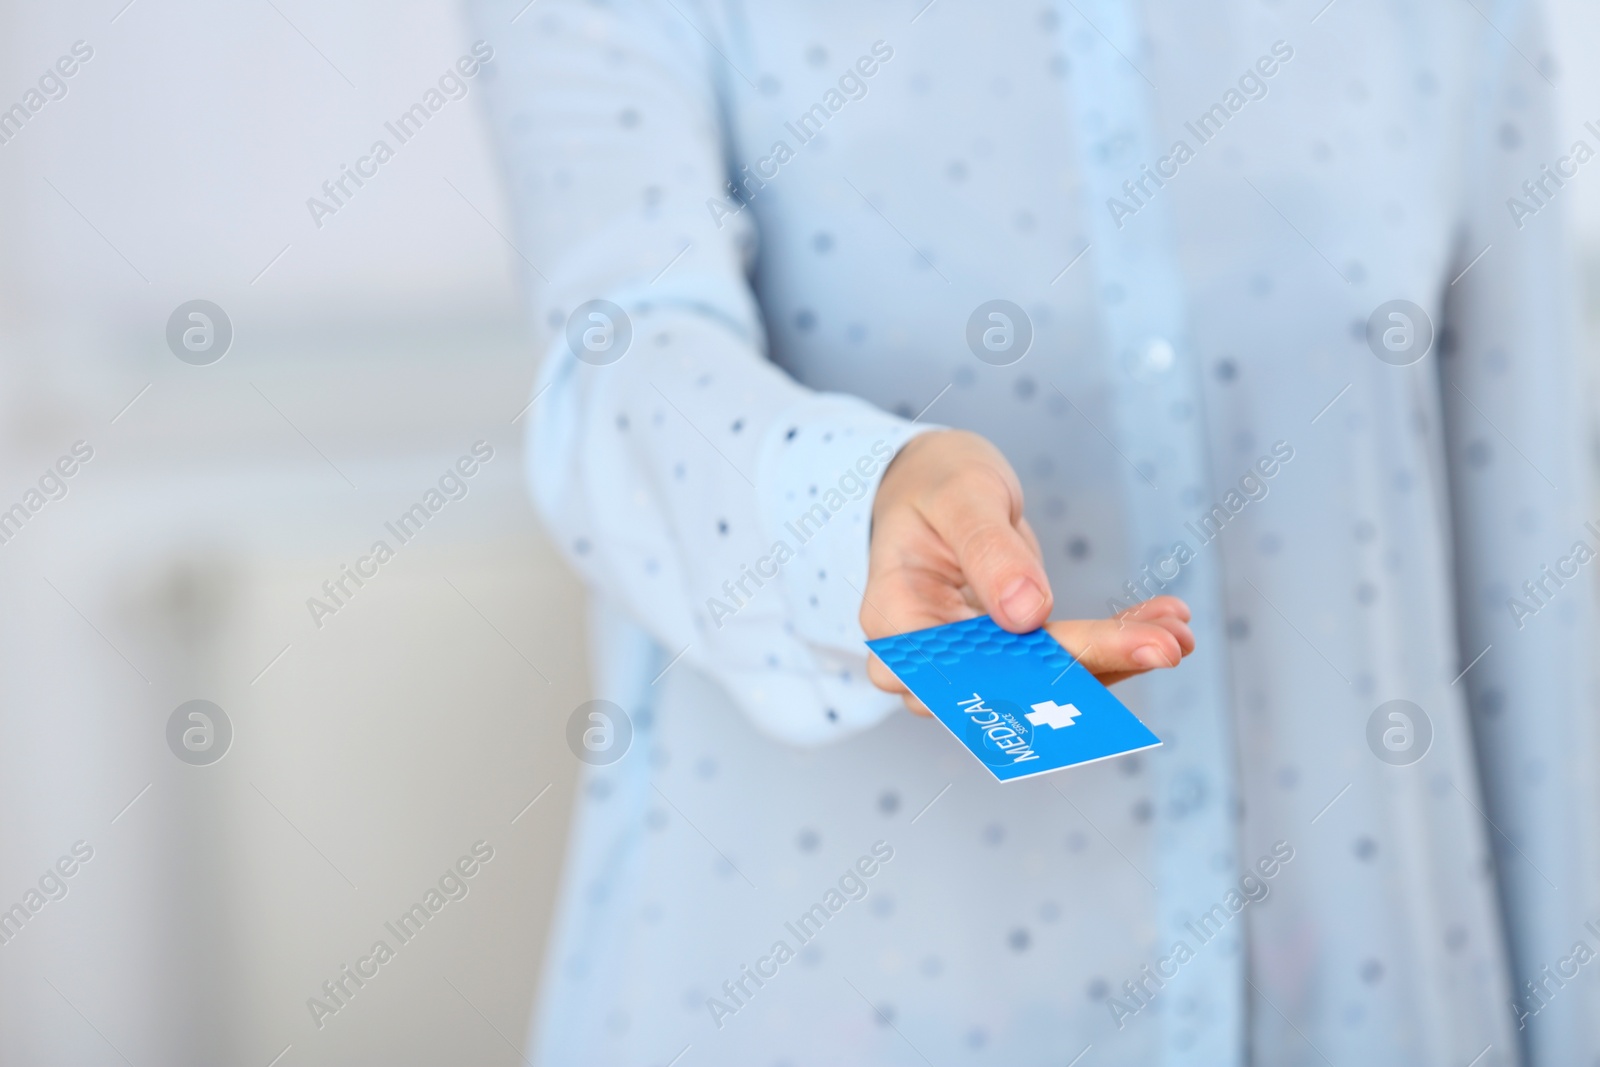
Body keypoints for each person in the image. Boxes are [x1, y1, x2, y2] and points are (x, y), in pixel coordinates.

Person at [469, 0, 1600, 1063]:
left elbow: (1531, 593)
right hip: (838, 1000)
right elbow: (621, 371)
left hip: (1367, 1002)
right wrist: (852, 512)